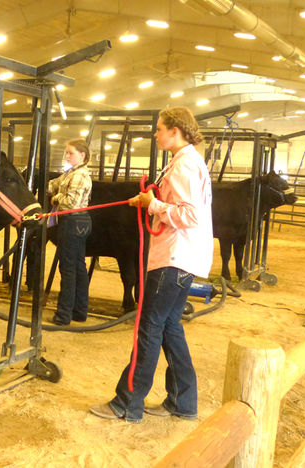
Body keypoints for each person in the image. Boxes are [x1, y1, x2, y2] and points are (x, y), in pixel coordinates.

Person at [90, 106, 213, 423]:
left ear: (175, 130)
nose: (156, 133)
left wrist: (154, 204)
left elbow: (190, 215)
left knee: (148, 328)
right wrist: (146, 202)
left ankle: (127, 403)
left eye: (160, 128)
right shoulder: (186, 161)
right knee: (170, 328)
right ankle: (182, 402)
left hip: (174, 258)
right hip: (183, 258)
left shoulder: (185, 165)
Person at [48, 139, 93, 326]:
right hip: (79, 221)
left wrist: (55, 198)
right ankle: (79, 311)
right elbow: (53, 183)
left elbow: (71, 202)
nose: (67, 156)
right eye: (67, 152)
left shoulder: (79, 175)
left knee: (68, 267)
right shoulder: (71, 173)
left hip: (72, 220)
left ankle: (63, 314)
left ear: (82, 155)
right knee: (78, 266)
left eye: (71, 153)